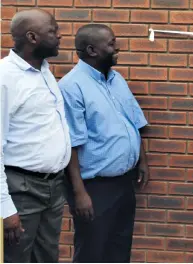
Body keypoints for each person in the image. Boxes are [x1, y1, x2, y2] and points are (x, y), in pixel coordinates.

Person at [58, 24, 149, 263]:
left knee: (119, 251)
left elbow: (134, 122)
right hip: (94, 188)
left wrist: (142, 160)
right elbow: (71, 145)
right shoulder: (71, 87)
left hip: (123, 183)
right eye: (111, 43)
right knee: (92, 252)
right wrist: (79, 193)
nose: (117, 47)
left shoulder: (116, 79)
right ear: (92, 50)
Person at [0, 9, 71, 263]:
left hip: (52, 187)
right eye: (52, 31)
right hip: (21, 190)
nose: (60, 35)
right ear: (32, 37)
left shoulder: (44, 72)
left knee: (46, 257)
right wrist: (5, 210)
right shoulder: (5, 78)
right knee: (15, 258)